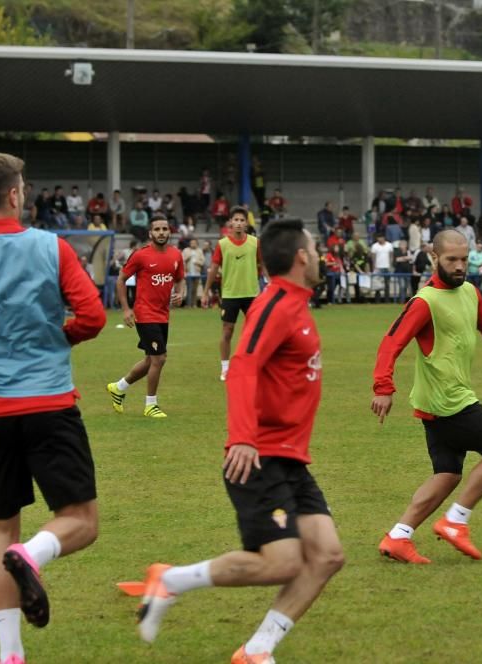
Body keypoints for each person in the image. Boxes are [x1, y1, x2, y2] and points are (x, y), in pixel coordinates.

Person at [136, 219, 345, 663]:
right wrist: (243, 439)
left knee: (326, 556)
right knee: (284, 562)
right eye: (315, 246)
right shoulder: (275, 304)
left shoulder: (298, 304)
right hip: (259, 457)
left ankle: (256, 649)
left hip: (290, 460)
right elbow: (244, 366)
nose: (320, 253)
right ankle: (171, 581)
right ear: (302, 256)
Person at [0, 153, 105, 664]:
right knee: (80, 521)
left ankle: (10, 655)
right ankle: (33, 556)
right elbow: (91, 316)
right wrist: (56, 340)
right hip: (48, 404)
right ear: (16, 195)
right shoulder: (51, 246)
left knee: (0, 531)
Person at [371, 229, 482, 564]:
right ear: (434, 258)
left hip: (436, 403)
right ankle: (455, 521)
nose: (459, 266)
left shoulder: (469, 291)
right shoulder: (424, 302)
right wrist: (383, 388)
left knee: (448, 473)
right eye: (450, 260)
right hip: (449, 400)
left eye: (463, 259)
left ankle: (398, 536)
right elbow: (391, 343)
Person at [106, 215, 186, 418]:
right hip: (145, 313)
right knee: (160, 358)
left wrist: (180, 294)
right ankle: (150, 404)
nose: (161, 232)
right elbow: (120, 280)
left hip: (163, 315)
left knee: (151, 360)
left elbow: (180, 279)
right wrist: (126, 309)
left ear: (170, 232)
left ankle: (119, 387)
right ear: (150, 233)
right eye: (157, 229)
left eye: (164, 229)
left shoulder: (176, 255)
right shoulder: (141, 255)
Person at [202, 207, 265, 381]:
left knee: (255, 332)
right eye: (235, 220)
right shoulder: (222, 244)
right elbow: (214, 268)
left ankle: (254, 364)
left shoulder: (255, 242)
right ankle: (225, 368)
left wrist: (270, 283)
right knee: (227, 331)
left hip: (252, 294)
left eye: (241, 220)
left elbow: (262, 264)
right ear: (230, 223)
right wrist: (206, 292)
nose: (238, 223)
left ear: (246, 223)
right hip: (230, 294)